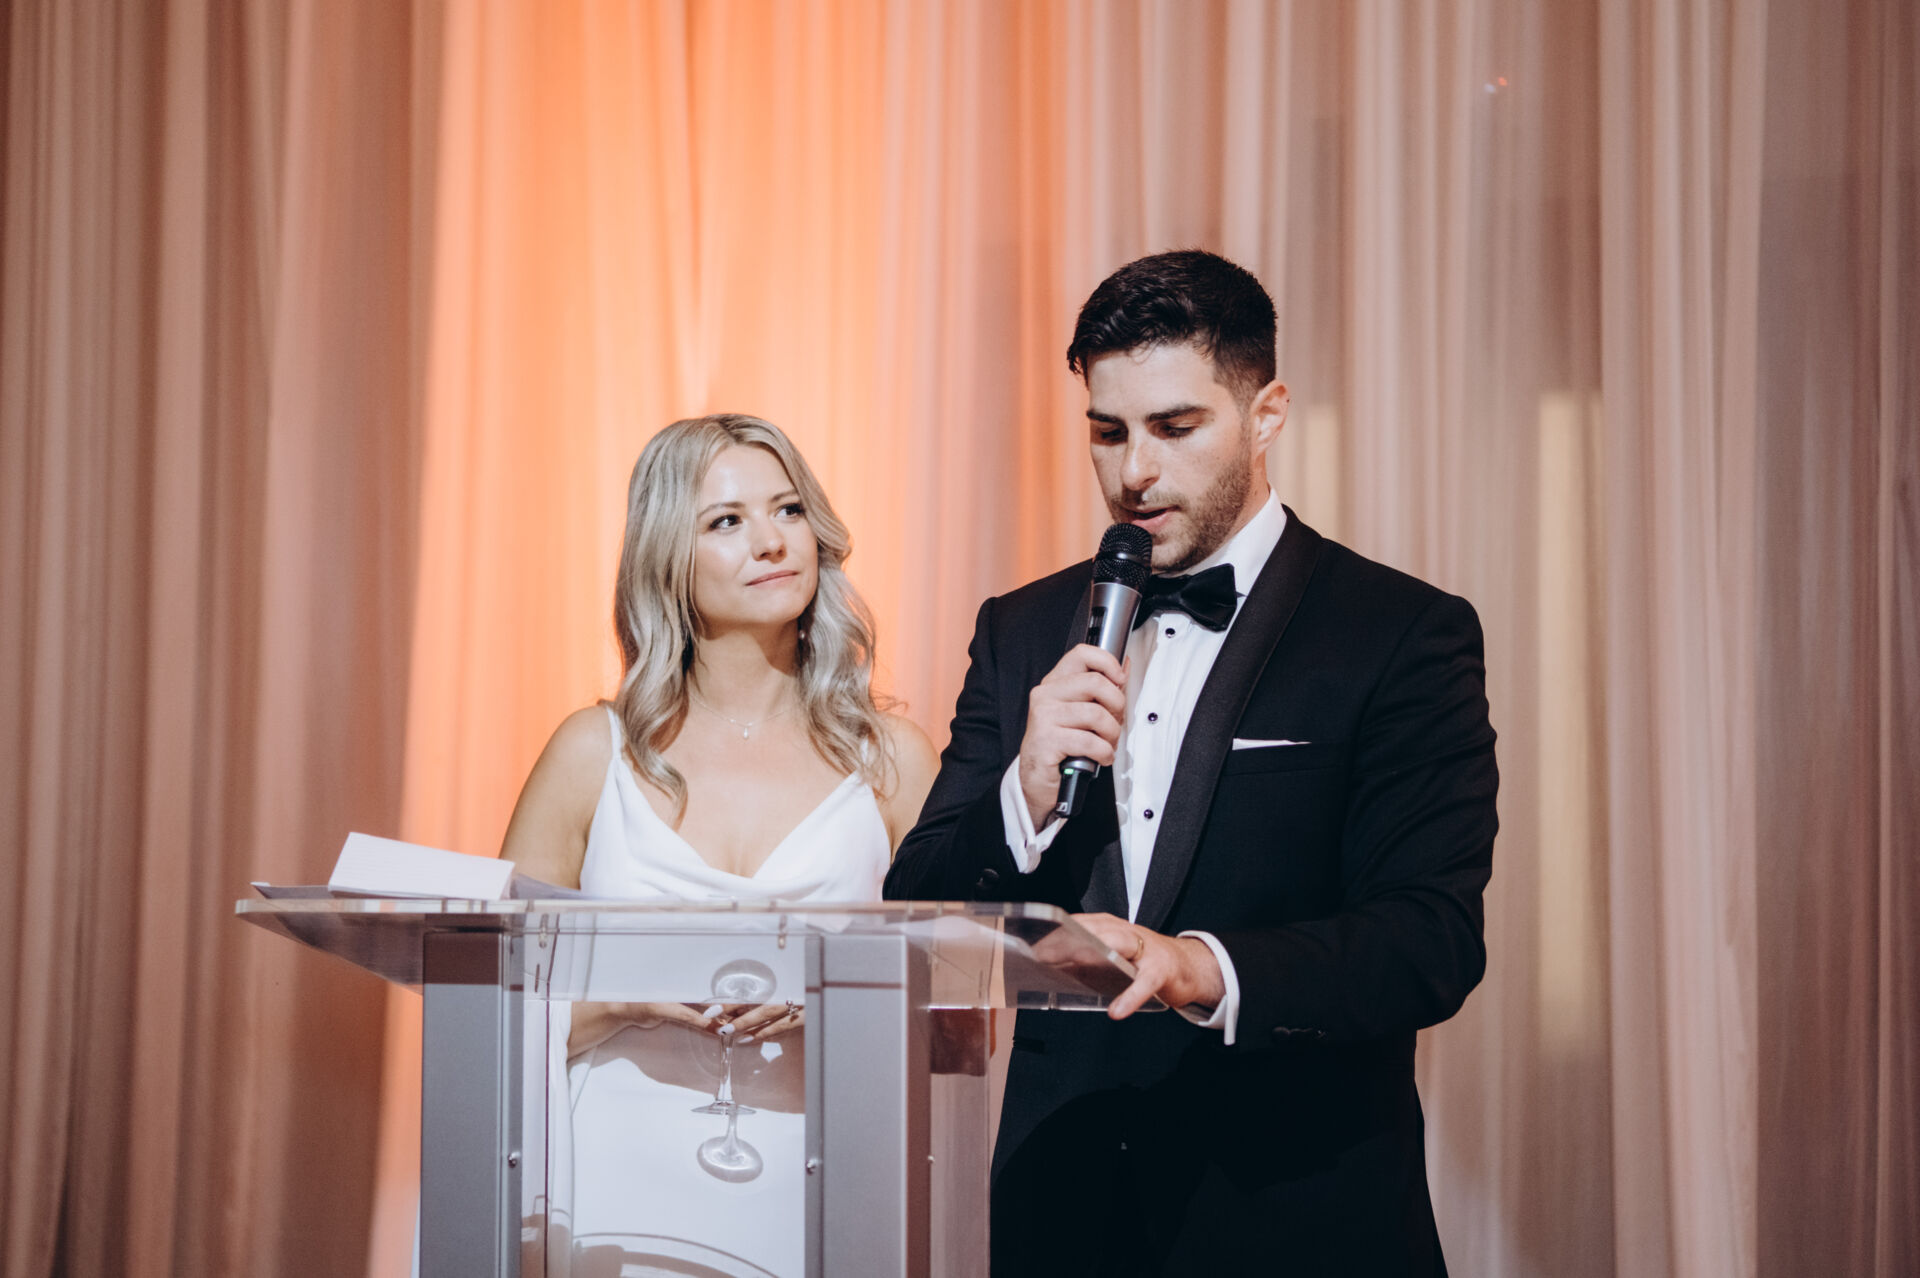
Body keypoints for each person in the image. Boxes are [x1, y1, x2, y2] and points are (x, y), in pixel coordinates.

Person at [884, 250, 1498, 1276]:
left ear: (1267, 415)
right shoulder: (1022, 629)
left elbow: (1428, 940)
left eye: (1175, 428)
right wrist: (1022, 792)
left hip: (1294, 1218)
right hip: (1062, 1218)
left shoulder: (1400, 633)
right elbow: (916, 920)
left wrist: (1198, 967)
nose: (1134, 471)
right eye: (1108, 431)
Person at [503, 413, 938, 1278]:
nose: (772, 542)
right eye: (727, 521)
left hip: (823, 1193)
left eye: (788, 510)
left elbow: (958, 1012)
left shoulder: (892, 760)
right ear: (668, 555)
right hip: (609, 1196)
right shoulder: (593, 752)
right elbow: (498, 1004)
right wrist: (628, 998)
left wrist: (836, 1004)